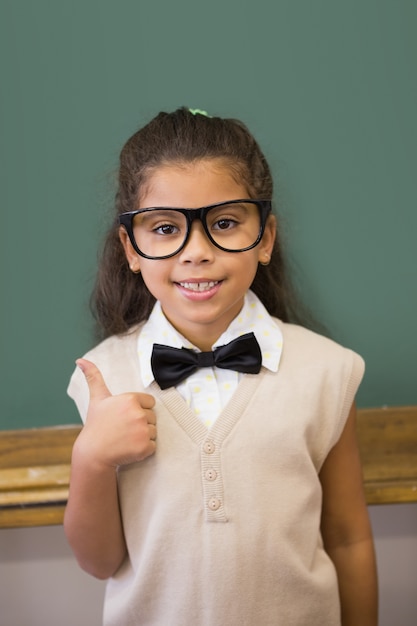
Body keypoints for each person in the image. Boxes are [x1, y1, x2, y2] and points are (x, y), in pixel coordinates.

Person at [64, 107, 378, 626]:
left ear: (267, 237)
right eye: (165, 228)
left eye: (225, 223)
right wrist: (92, 460)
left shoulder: (327, 371)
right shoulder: (102, 377)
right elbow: (98, 563)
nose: (196, 252)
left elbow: (347, 538)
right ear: (131, 248)